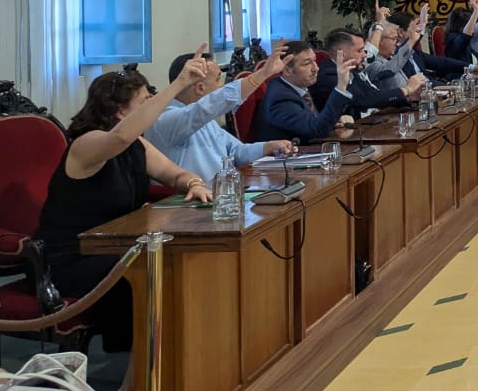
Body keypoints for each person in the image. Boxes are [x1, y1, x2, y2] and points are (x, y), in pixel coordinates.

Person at [35, 57, 215, 359]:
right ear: (120, 111)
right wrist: (179, 85)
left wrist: (193, 183)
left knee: (179, 259)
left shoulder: (137, 145)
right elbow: (119, 137)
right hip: (75, 258)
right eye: (145, 102)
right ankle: (143, 375)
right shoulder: (88, 143)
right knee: (156, 269)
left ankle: (187, 357)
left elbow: (175, 174)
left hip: (120, 245)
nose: (153, 108)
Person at [145, 43, 296, 182]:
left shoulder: (205, 118)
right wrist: (262, 74)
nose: (223, 85)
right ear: (200, 89)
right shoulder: (165, 119)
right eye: (218, 80)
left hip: (223, 192)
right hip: (187, 204)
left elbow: (236, 151)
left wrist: (268, 147)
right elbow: (210, 105)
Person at [251, 42, 362, 143]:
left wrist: (333, 121)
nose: (316, 68)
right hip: (283, 161)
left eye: (314, 61)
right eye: (307, 63)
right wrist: (341, 85)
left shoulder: (300, 87)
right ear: (287, 70)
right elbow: (316, 130)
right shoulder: (280, 98)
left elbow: (313, 122)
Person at [314, 28, 423, 113]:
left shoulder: (353, 71)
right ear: (341, 53)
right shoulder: (328, 75)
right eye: (359, 51)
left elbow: (374, 94)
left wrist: (409, 98)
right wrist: (407, 89)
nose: (364, 55)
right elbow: (363, 100)